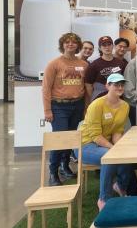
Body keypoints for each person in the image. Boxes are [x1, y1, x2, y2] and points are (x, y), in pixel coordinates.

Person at [77, 73, 131, 211]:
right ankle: (103, 199)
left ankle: (120, 186)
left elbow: (117, 131)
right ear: (107, 86)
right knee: (110, 157)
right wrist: (113, 148)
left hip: (105, 144)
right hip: (85, 144)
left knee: (126, 154)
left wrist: (118, 147)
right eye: (115, 84)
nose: (119, 87)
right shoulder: (96, 105)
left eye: (121, 85)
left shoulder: (124, 106)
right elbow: (95, 135)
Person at [42, 32, 88, 186]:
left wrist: (86, 108)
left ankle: (65, 166)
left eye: (74, 42)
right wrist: (47, 110)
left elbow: (86, 88)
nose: (70, 44)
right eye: (67, 42)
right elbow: (46, 88)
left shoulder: (83, 65)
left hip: (77, 105)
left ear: (77, 45)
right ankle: (53, 173)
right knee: (59, 140)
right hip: (59, 106)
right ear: (62, 45)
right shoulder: (54, 64)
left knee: (71, 138)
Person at [85, 35, 127, 101]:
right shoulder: (94, 65)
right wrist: (94, 99)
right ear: (100, 48)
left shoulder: (121, 63)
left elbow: (124, 81)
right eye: (104, 45)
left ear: (113, 46)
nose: (107, 47)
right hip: (100, 99)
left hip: (117, 98)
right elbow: (88, 84)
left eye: (109, 44)